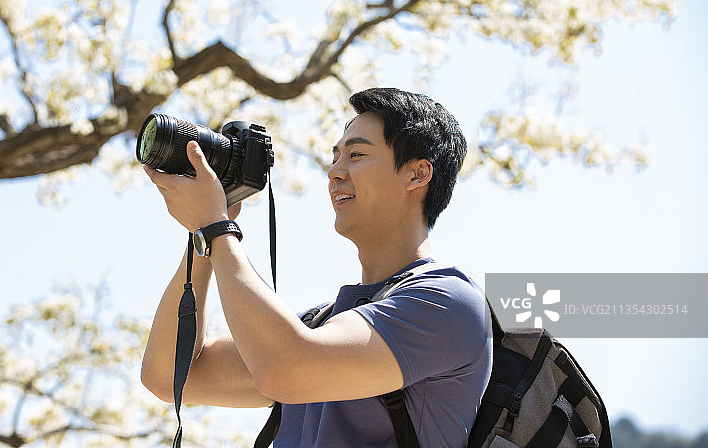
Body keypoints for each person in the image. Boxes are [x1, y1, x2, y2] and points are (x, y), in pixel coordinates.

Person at [140, 87, 492, 447]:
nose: (334, 172)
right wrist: (205, 232)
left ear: (417, 174)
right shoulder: (322, 324)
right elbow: (170, 376)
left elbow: (286, 369)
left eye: (356, 154)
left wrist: (216, 227)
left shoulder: (448, 302)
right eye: (335, 157)